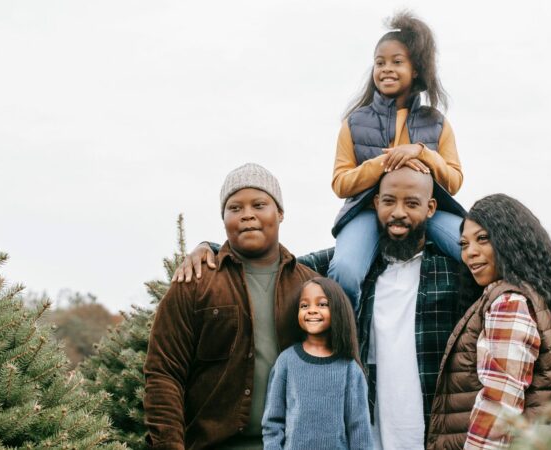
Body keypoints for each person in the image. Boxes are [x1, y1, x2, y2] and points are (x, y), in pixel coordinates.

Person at [174, 167, 466, 449]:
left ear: (430, 208)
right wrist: (211, 247)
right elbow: (274, 263)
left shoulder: (451, 273)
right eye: (389, 201)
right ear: (376, 204)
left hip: (431, 431)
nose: (398, 212)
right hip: (367, 433)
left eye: (411, 204)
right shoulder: (353, 267)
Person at [143, 163, 321, 450]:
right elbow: (164, 373)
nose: (247, 214)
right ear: (224, 218)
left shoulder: (312, 286)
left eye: (259, 204)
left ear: (280, 213)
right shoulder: (194, 283)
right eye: (235, 208)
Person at [329, 10, 464, 307]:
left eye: (397, 62)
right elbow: (340, 183)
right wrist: (383, 163)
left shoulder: (437, 123)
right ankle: (345, 343)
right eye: (380, 63)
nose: (386, 69)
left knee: (473, 250)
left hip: (426, 212)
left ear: (415, 69)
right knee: (345, 270)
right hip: (365, 211)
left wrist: (422, 153)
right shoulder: (354, 123)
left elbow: (453, 182)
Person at [427, 194, 551, 449]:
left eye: (483, 239)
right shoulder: (530, 294)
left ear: (510, 241)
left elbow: (499, 406)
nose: (470, 254)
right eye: (464, 244)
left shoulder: (508, 304)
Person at [262, 277, 372, 450]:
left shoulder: (350, 368)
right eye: (304, 306)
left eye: (322, 304)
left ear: (337, 308)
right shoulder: (286, 362)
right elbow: (273, 423)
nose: (312, 310)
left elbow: (359, 430)